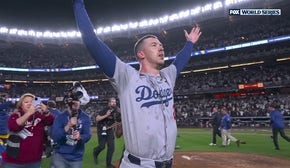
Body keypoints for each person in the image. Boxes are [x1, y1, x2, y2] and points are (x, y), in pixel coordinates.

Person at [73, 0, 201, 167]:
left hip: (167, 163)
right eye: (154, 45)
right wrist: (78, 4)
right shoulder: (126, 76)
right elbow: (91, 41)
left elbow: (180, 60)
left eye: (161, 45)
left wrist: (190, 43)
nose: (161, 48)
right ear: (141, 53)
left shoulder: (168, 76)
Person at [1, 93, 54, 168]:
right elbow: (14, 127)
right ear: (21, 105)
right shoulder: (15, 115)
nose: (29, 104)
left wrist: (46, 111)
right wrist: (29, 113)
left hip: (34, 161)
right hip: (14, 161)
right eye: (26, 102)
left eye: (32, 102)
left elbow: (51, 121)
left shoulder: (40, 116)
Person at [51, 83, 91, 168]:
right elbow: (55, 137)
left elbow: (88, 135)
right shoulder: (60, 117)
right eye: (73, 100)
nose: (76, 102)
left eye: (78, 100)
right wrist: (67, 126)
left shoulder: (85, 118)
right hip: (60, 156)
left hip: (76, 158)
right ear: (67, 102)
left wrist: (80, 137)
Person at [93, 97, 121, 168]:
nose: (114, 103)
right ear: (109, 103)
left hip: (110, 130)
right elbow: (97, 118)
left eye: (115, 102)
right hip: (102, 129)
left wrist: (113, 126)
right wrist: (106, 115)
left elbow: (117, 121)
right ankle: (95, 152)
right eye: (112, 102)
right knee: (102, 146)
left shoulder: (117, 110)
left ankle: (108, 165)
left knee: (111, 147)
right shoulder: (105, 109)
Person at [45, 100, 61, 167]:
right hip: (58, 131)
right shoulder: (59, 112)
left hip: (50, 130)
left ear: (49, 106)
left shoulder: (49, 112)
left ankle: (49, 153)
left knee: (48, 142)